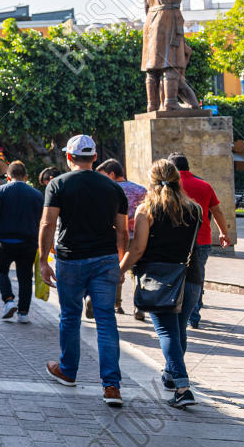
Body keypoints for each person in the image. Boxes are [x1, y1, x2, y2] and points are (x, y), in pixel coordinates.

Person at [41, 135, 129, 407]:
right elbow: (122, 230)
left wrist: (43, 260)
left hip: (70, 259)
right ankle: (111, 386)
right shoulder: (113, 188)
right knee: (106, 321)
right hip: (104, 260)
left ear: (69, 157)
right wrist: (120, 261)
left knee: (70, 317)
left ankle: (68, 371)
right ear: (94, 158)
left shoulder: (58, 184)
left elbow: (47, 223)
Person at [119, 160, 204, 409]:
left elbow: (137, 249)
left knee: (166, 332)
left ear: (152, 181)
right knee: (178, 331)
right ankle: (170, 374)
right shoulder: (196, 209)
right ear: (178, 179)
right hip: (191, 276)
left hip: (159, 279)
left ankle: (182, 387)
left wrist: (119, 271)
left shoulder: (147, 210)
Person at [168, 152, 233, 329]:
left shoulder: (167, 187)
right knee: (197, 276)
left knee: (175, 276)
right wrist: (224, 233)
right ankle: (193, 315)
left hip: (175, 240)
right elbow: (217, 211)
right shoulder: (204, 185)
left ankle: (177, 310)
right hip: (202, 239)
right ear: (188, 167)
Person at [0, 160, 43, 323]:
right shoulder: (37, 194)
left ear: (8, 177)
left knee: (0, 271)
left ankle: (8, 300)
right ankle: (23, 312)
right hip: (28, 242)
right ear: (26, 177)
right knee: (25, 276)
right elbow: (42, 220)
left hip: (5, 240)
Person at [97, 159, 146, 319]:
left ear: (111, 174)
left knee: (115, 268)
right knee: (137, 272)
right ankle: (139, 306)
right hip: (139, 235)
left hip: (115, 235)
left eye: (104, 175)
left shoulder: (107, 190)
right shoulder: (141, 190)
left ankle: (116, 304)